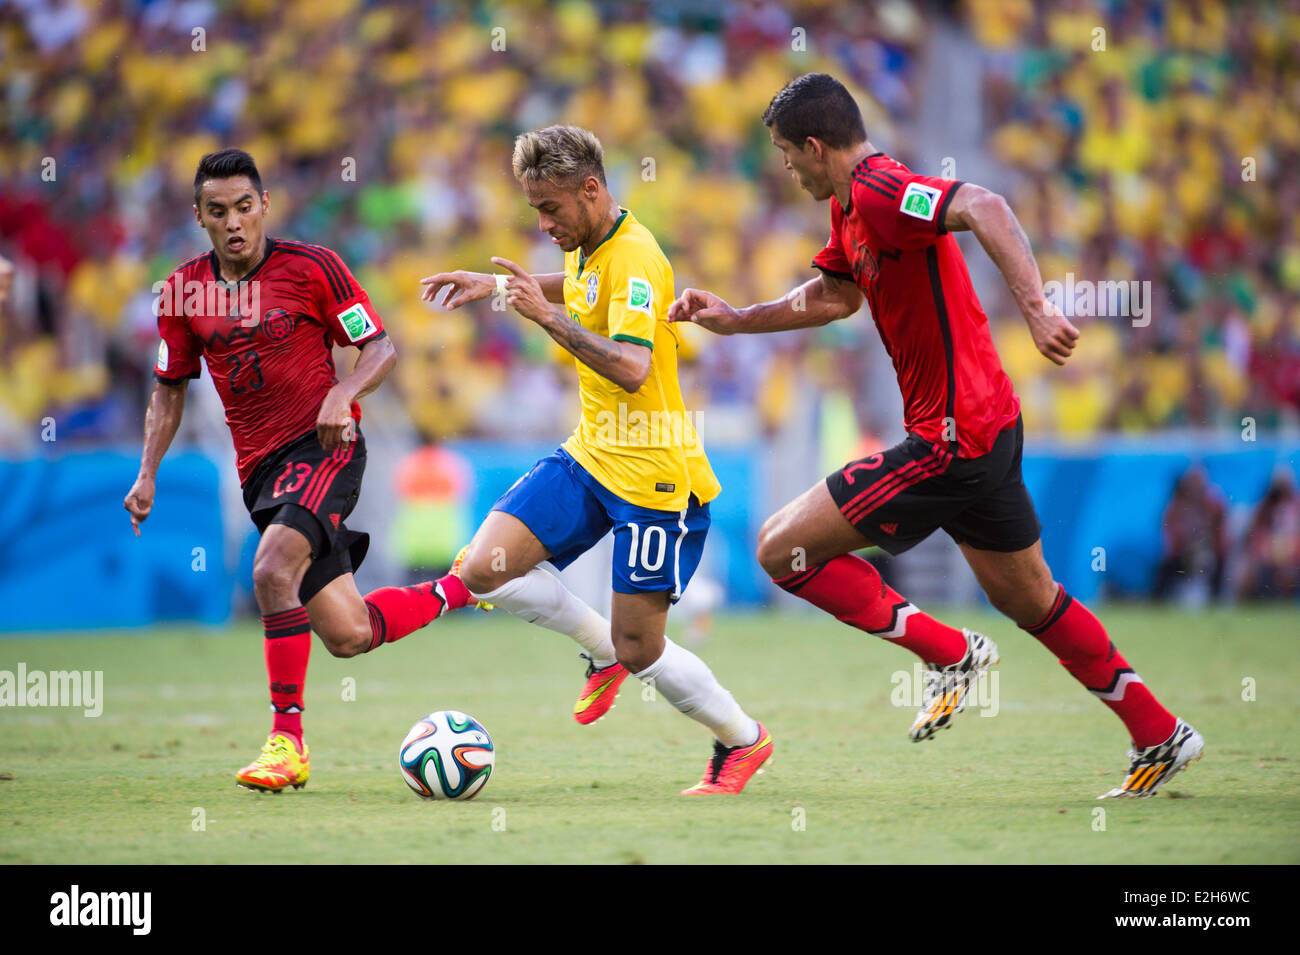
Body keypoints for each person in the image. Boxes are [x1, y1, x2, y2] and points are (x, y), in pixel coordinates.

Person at [668, 74, 1203, 799]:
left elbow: (984, 204)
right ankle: (1160, 732)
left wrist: (1038, 307)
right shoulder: (847, 208)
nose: (785, 167)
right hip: (987, 428)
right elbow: (832, 295)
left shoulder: (885, 191)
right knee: (1033, 600)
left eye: (786, 154)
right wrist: (737, 318)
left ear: (817, 147)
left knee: (780, 550)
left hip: (954, 438)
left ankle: (950, 653)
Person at [421, 125, 772, 795]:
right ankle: (602, 649)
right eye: (534, 210)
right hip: (592, 453)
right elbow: (579, 288)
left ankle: (743, 740)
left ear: (590, 189)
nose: (543, 223)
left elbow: (636, 366)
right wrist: (493, 287)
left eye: (550, 208)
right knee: (482, 569)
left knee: (644, 647)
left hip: (653, 476)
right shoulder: (592, 243)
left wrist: (541, 319)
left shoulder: (636, 257)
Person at [124, 149, 468, 792]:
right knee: (348, 632)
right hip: (261, 476)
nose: (234, 223)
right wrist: (148, 474)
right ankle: (464, 587)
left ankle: (287, 741)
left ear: (265, 207)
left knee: (270, 570)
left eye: (245, 208)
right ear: (199, 216)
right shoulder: (181, 293)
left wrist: (344, 394)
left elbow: (380, 347)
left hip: (325, 446)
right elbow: (169, 388)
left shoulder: (313, 268)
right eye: (218, 211)